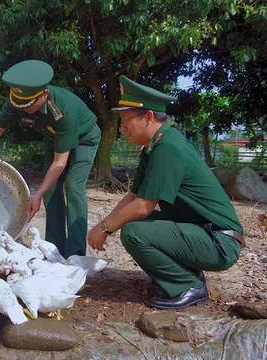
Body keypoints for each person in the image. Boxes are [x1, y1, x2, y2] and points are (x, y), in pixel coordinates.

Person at [87, 75, 244, 309]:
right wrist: (104, 224)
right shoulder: (155, 147)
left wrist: (104, 228)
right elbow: (133, 196)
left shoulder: (168, 147)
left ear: (148, 117)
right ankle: (188, 275)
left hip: (219, 241)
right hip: (204, 233)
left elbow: (142, 207)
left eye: (126, 120)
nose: (123, 128)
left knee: (134, 232)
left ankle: (187, 286)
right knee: (138, 224)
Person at [0, 60, 101, 258]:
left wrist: (36, 194)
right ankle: (54, 251)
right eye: (20, 105)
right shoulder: (17, 101)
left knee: (73, 188)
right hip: (54, 138)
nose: (24, 109)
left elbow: (59, 162)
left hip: (84, 138)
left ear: (44, 94)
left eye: (30, 105)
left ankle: (76, 256)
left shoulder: (62, 109)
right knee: (51, 192)